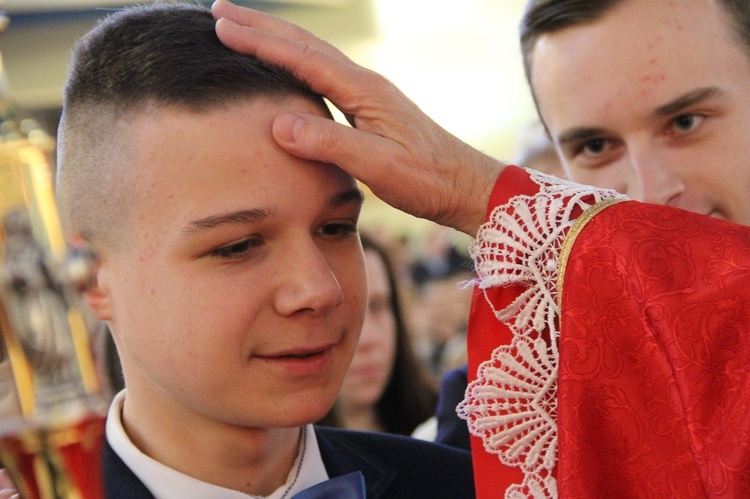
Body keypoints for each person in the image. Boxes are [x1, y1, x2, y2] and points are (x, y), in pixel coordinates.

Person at [211, 0, 750, 497]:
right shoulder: (505, 406)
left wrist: (478, 192)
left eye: (686, 122)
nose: (650, 193)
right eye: (594, 146)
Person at [0, 3, 478, 498]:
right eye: (238, 246)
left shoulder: (462, 486)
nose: (317, 290)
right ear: (92, 275)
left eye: (335, 228)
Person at [318, 233, 438, 436]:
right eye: (341, 312)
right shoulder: (278, 458)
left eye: (378, 306)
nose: (367, 339)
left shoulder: (443, 425)